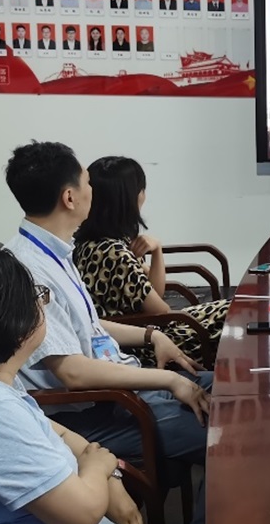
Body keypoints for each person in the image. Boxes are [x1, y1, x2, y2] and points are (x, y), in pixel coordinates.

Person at [0, 246, 206, 524]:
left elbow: (55, 431)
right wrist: (100, 467)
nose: (42, 303)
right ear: (9, 323)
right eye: (37, 296)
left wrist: (106, 470)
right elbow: (81, 514)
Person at [4, 142, 210, 524]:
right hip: (92, 411)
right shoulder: (29, 268)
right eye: (87, 182)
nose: (92, 190)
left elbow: (87, 324)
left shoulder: (55, 251)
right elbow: (73, 373)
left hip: (119, 391)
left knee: (232, 393)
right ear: (70, 197)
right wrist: (169, 380)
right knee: (227, 437)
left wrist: (151, 336)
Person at [73, 157, 230, 368]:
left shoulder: (91, 242)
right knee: (236, 320)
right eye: (141, 190)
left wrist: (157, 251)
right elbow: (161, 312)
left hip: (142, 331)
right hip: (146, 344)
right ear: (130, 199)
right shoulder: (114, 253)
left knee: (235, 309)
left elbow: (152, 292)